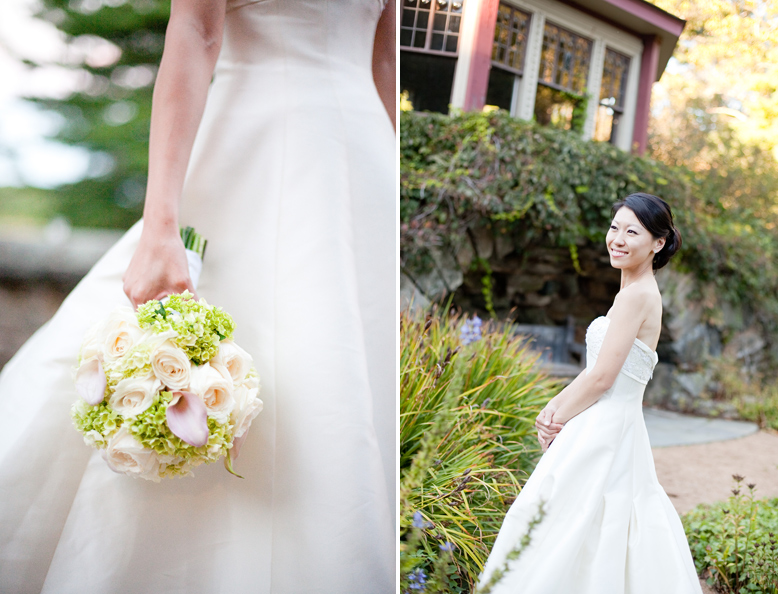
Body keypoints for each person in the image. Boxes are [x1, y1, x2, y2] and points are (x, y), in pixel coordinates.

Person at [0, 0, 396, 592]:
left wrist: (161, 223)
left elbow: (198, 29)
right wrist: (160, 228)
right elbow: (382, 62)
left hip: (304, 148)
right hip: (350, 154)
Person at [478, 193, 702, 593]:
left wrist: (553, 414)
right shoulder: (634, 291)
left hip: (605, 428)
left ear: (657, 243)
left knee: (570, 522)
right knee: (590, 525)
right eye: (614, 227)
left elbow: (601, 377)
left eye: (632, 231)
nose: (617, 238)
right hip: (611, 423)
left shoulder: (637, 295)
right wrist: (556, 411)